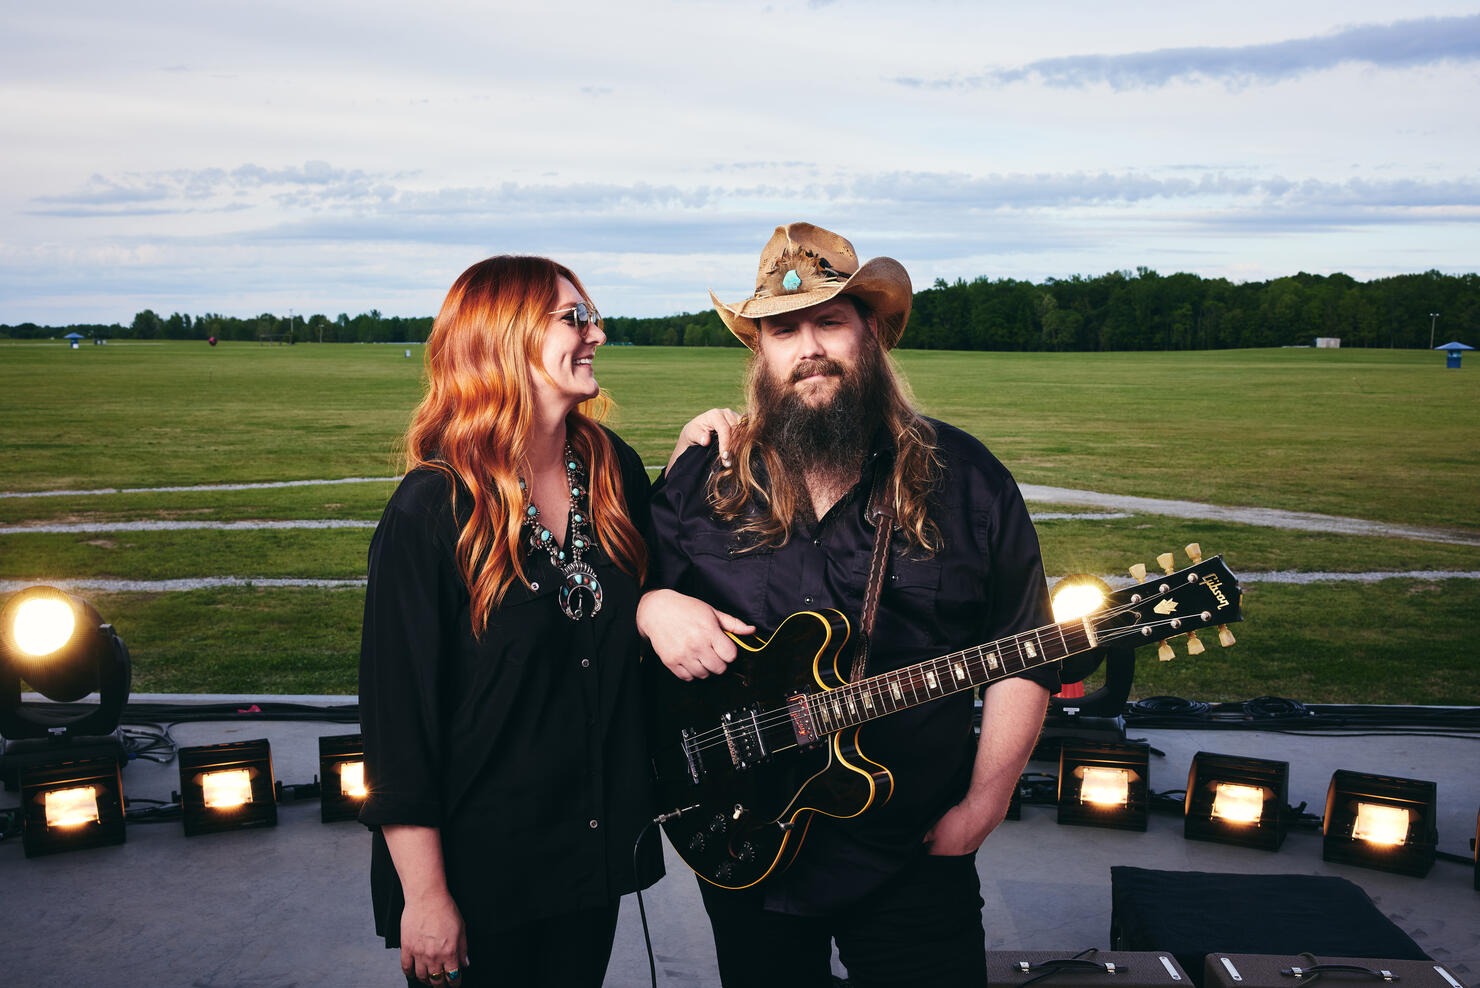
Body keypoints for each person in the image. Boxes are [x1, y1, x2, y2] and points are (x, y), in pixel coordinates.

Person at [637, 223, 1061, 988]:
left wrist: (983, 808)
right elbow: (614, 604)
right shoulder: (706, 476)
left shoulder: (967, 481)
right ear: (759, 351)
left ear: (871, 333)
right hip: (744, 842)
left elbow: (1023, 648)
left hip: (915, 846)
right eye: (783, 328)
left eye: (829, 321)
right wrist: (652, 605)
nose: (809, 347)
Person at [358, 256, 727, 987]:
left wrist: (691, 457)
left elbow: (646, 595)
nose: (598, 333)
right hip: (476, 877)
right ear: (506, 337)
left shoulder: (612, 468)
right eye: (574, 318)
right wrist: (425, 897)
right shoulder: (431, 510)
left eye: (591, 315)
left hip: (586, 859)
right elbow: (397, 730)